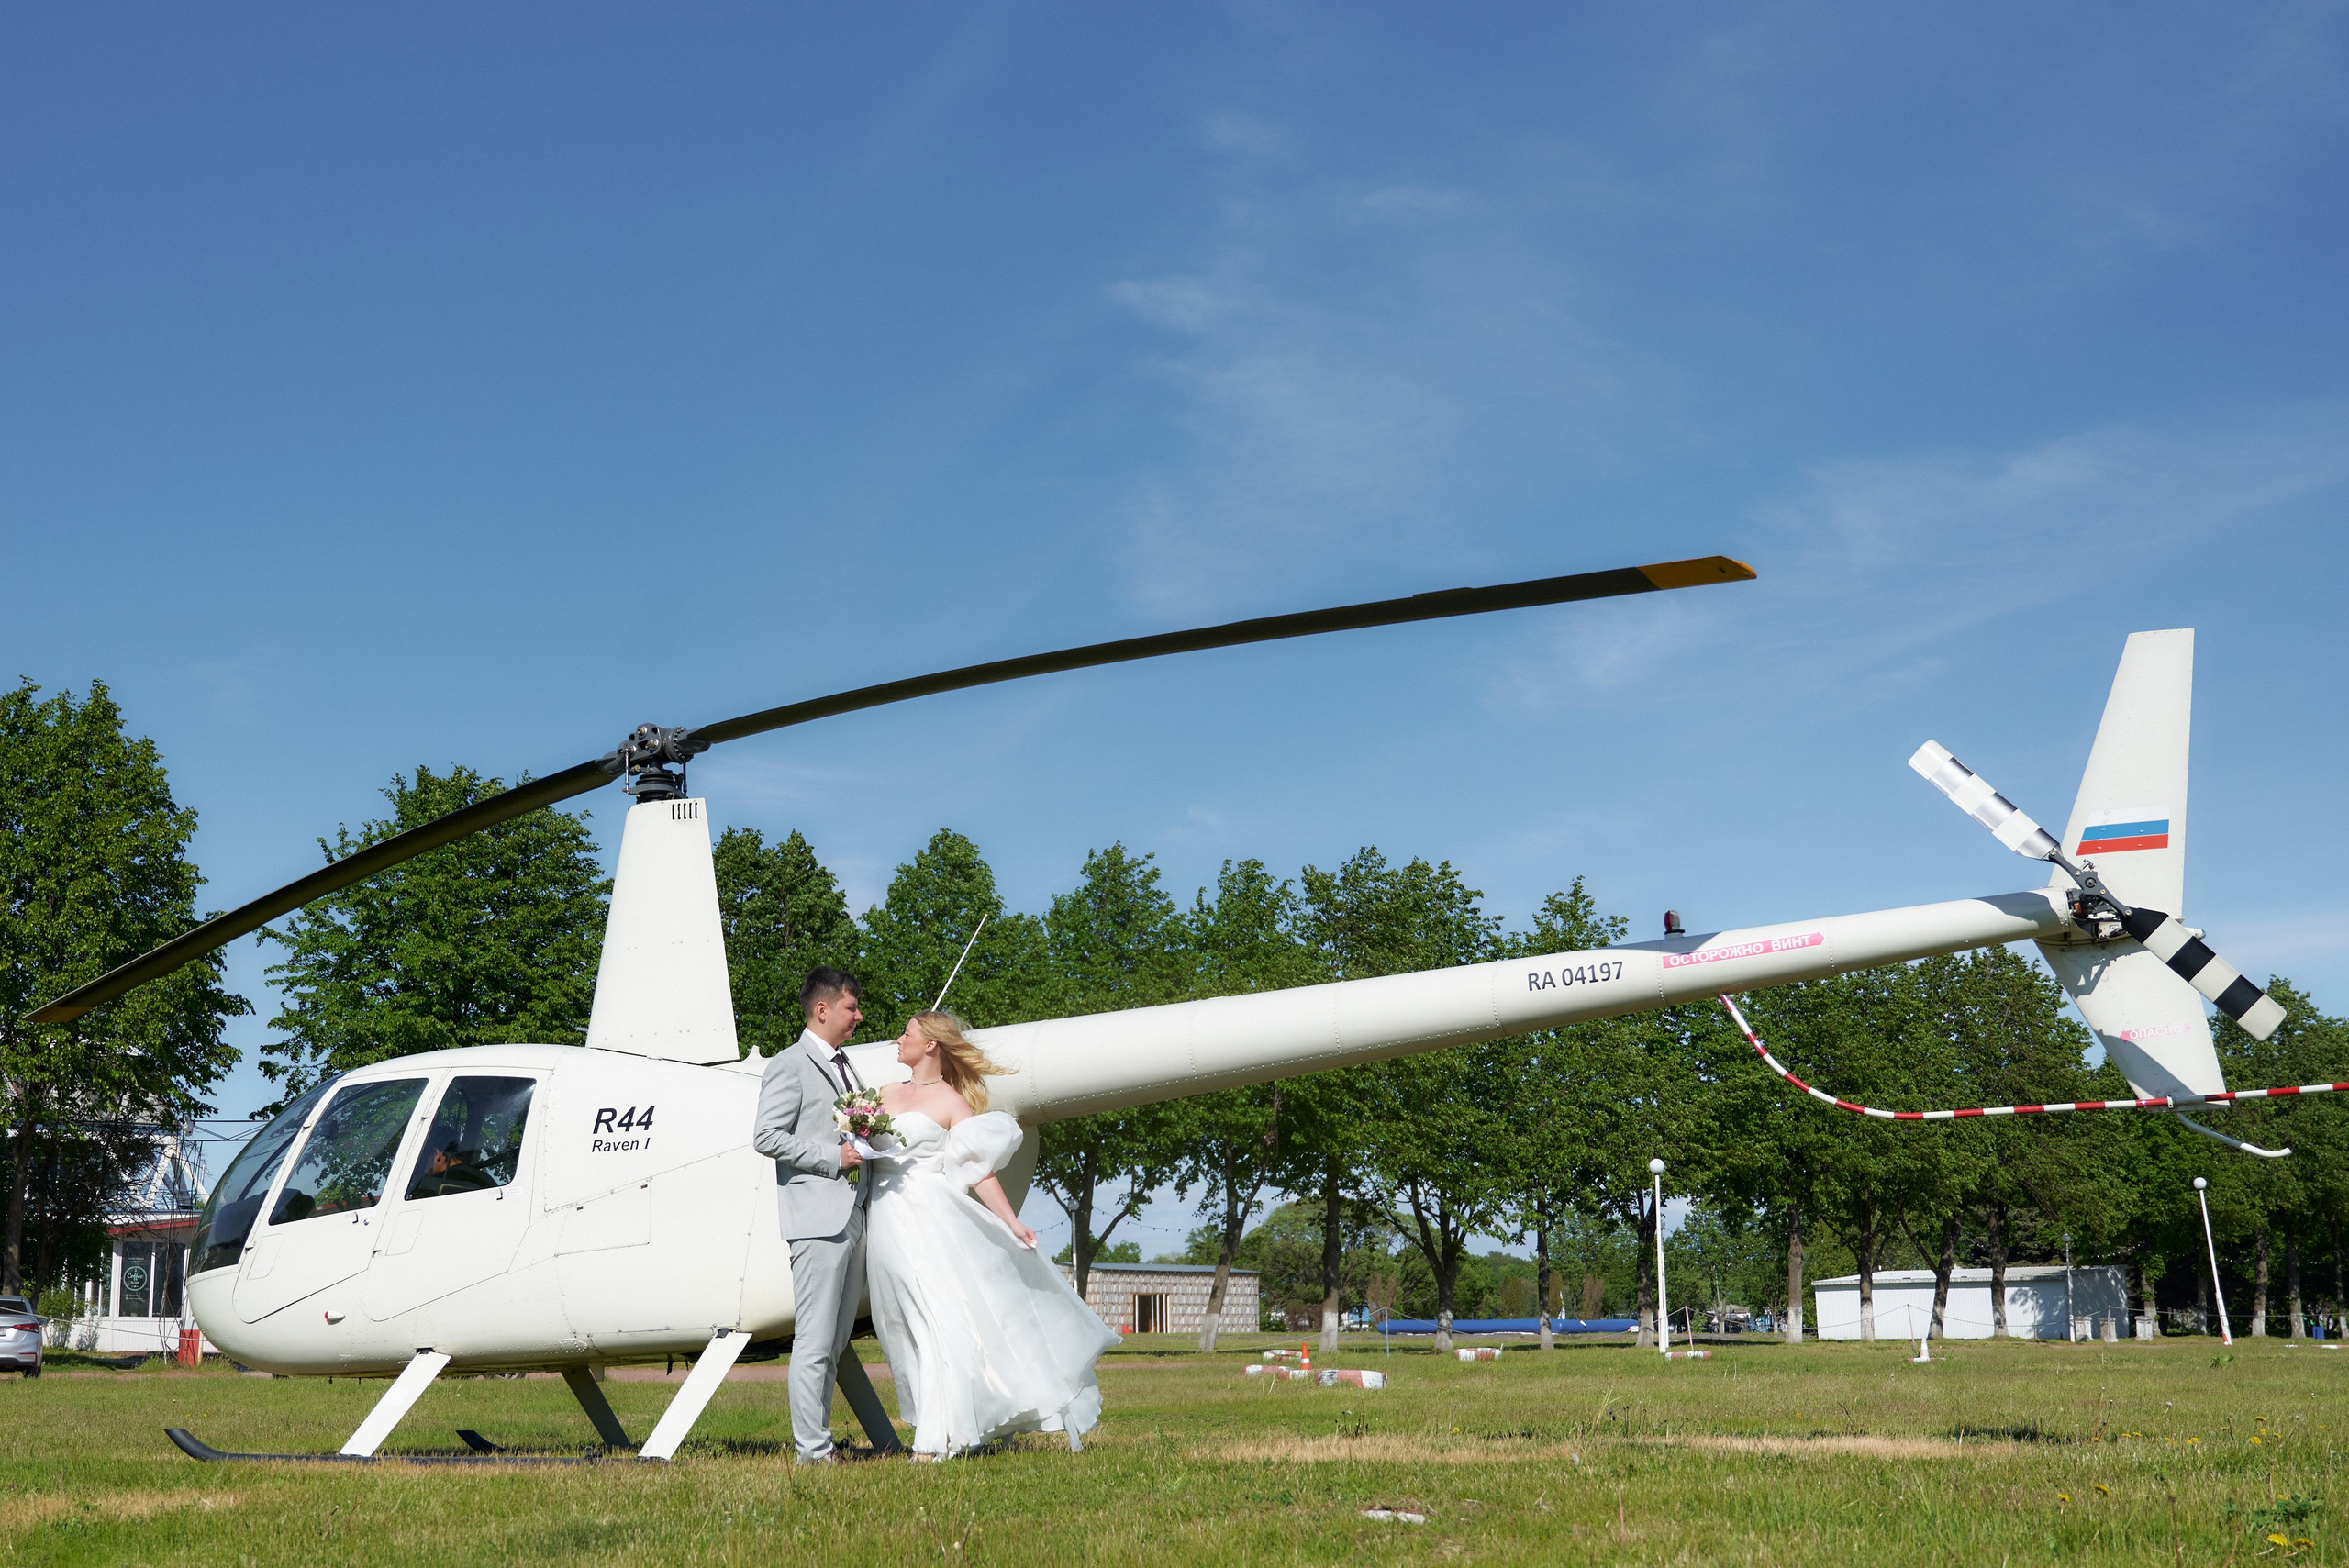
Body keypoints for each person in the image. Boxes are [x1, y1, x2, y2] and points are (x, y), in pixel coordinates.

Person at [863, 1010, 1119, 1459]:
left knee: (935, 1316)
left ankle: (938, 1439)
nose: (897, 1039)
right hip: (883, 1216)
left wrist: (1010, 1221)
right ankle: (941, 1421)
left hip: (928, 1217)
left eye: (906, 1033)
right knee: (898, 1321)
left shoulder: (951, 1103)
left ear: (931, 1046)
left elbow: (978, 1170)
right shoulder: (881, 1095)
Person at [751, 967, 903, 1463]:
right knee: (815, 1339)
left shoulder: (846, 1066)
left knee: (834, 1341)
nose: (859, 1016)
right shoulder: (788, 1065)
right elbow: (766, 1137)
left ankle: (819, 1444)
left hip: (854, 1213)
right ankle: (812, 1451)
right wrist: (830, 1158)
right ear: (822, 1010)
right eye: (851, 1008)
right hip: (818, 1219)